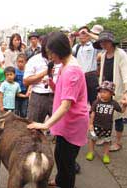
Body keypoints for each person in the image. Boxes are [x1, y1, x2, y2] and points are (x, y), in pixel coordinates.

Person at [28, 32, 89, 188]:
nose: (49, 57)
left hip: (73, 123)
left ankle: (65, 184)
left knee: (67, 163)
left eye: (50, 53)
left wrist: (45, 125)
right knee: (60, 156)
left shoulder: (71, 71)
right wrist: (51, 83)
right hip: (65, 122)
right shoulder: (65, 65)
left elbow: (66, 104)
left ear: (58, 50)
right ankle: (60, 181)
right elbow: (62, 92)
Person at [93, 30, 127, 152]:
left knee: (118, 116)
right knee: (103, 115)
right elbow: (101, 74)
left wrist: (126, 91)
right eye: (101, 42)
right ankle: (104, 137)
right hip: (105, 90)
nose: (103, 44)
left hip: (117, 90)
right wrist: (100, 90)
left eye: (106, 41)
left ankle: (118, 142)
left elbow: (125, 73)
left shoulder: (121, 54)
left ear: (112, 42)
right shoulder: (102, 55)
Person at [86, 81, 127, 164]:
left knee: (107, 141)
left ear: (111, 93)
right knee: (92, 139)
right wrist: (90, 124)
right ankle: (91, 152)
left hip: (107, 127)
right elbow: (93, 113)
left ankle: (106, 155)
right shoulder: (96, 102)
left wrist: (124, 105)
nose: (102, 94)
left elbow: (121, 111)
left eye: (104, 92)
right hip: (96, 125)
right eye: (101, 92)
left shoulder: (113, 103)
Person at [23, 35, 60, 123]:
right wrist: (45, 73)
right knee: (33, 127)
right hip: (38, 96)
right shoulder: (34, 60)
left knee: (60, 126)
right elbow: (26, 81)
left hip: (57, 96)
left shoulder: (61, 60)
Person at [71, 26, 100, 106]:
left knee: (94, 100)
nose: (82, 35)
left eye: (84, 33)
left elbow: (101, 40)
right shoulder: (77, 46)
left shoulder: (94, 45)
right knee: (80, 100)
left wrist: (88, 33)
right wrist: (71, 38)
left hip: (91, 76)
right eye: (80, 34)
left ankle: (94, 117)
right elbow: (67, 51)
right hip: (79, 76)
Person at [14, 53, 30, 118]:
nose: (20, 63)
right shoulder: (14, 71)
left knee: (24, 112)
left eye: (22, 62)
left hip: (25, 93)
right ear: (16, 62)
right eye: (19, 62)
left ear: (26, 62)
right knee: (16, 111)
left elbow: (29, 82)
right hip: (16, 94)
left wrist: (28, 92)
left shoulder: (28, 71)